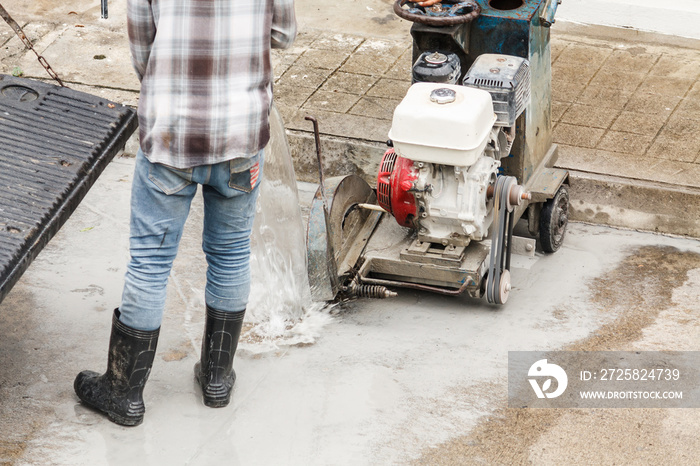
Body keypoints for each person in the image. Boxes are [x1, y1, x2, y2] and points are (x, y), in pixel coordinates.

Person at [73, 0, 297, 426]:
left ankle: (123, 393)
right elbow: (284, 35)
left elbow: (142, 50)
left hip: (171, 136)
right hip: (241, 138)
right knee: (230, 254)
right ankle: (217, 378)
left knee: (151, 263)